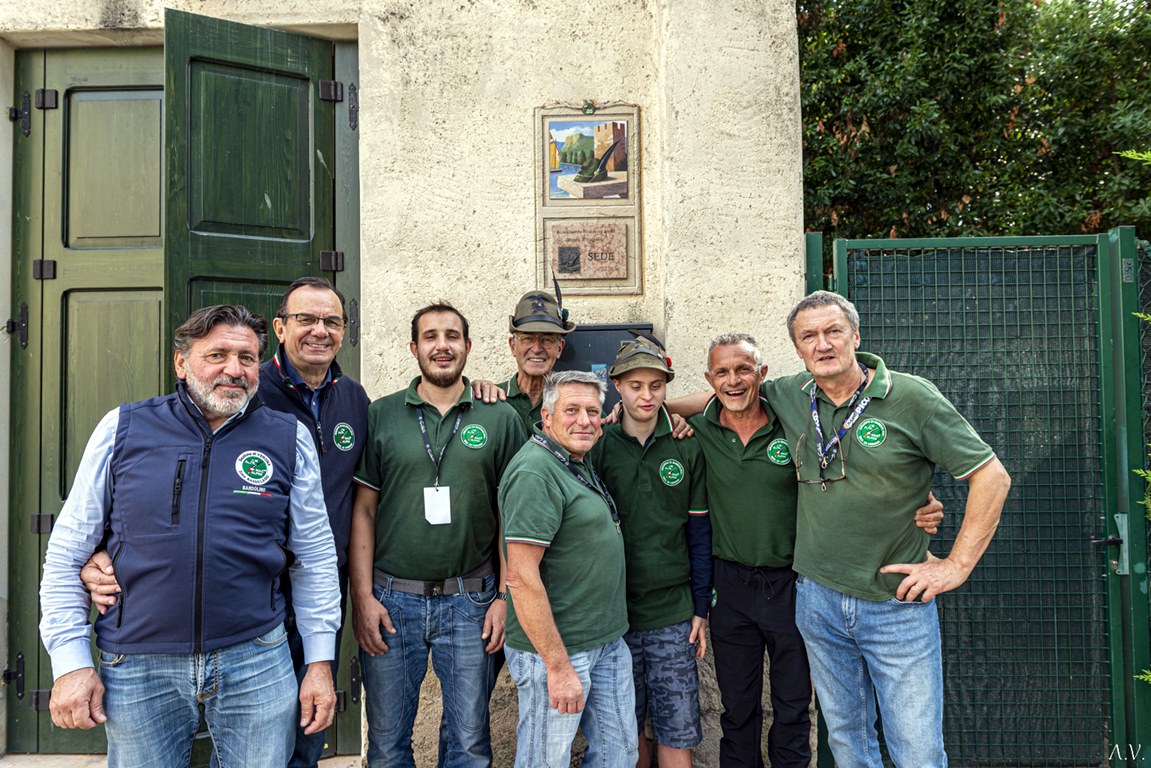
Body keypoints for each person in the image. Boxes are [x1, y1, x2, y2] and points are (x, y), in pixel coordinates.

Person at [80, 277, 370, 768]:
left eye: (332, 321)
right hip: (194, 622)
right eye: (306, 318)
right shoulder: (230, 397)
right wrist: (103, 552)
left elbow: (340, 522)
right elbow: (146, 501)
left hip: (288, 612)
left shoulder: (354, 400)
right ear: (281, 328)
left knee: (297, 742)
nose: (233, 369)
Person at [767, 290, 1011, 767]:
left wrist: (956, 565)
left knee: (917, 750)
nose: (823, 344)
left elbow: (992, 476)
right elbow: (726, 394)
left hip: (896, 604)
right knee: (848, 742)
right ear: (797, 348)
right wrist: (664, 413)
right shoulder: (791, 393)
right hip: (818, 600)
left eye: (834, 331)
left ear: (856, 336)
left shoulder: (911, 397)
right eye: (809, 336)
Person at [349, 302, 527, 767]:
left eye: (452, 336)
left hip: (471, 601)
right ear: (414, 348)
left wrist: (505, 597)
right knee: (387, 746)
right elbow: (363, 511)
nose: (442, 346)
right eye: (430, 336)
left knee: (469, 745)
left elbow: (512, 515)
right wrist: (362, 599)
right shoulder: (382, 414)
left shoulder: (500, 417)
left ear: (468, 346)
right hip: (391, 601)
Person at [500, 370, 638, 767]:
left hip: (606, 642)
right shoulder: (535, 472)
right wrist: (557, 667)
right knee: (545, 760)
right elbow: (521, 578)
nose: (584, 420)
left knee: (619, 755)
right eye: (571, 410)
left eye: (592, 411)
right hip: (558, 650)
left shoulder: (575, 459)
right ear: (546, 417)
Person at [687, 333, 811, 768]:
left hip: (791, 583)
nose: (733, 380)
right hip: (730, 586)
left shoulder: (793, 424)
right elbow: (653, 409)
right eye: (722, 372)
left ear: (762, 374)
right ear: (709, 380)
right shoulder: (699, 428)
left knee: (793, 704)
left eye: (743, 369)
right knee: (737, 708)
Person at [588, 338, 711, 768]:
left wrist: (700, 608)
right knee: (626, 730)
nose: (646, 396)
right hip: (614, 615)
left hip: (672, 614)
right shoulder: (597, 446)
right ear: (617, 386)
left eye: (656, 386)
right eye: (636, 386)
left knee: (677, 727)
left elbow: (699, 534)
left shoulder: (686, 444)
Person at [494, 290, 575, 427]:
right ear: (513, 346)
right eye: (527, 339)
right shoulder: (491, 399)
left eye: (547, 339)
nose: (537, 349)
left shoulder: (575, 402)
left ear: (559, 348)